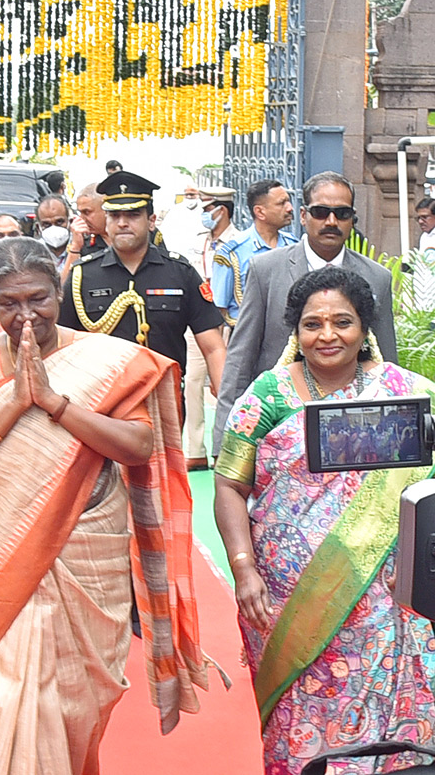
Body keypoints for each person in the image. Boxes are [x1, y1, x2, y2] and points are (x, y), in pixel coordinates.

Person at [0, 238, 208, 775]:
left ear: (59, 292)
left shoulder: (104, 358)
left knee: (75, 708)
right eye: (9, 303)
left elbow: (137, 445)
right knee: (8, 698)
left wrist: (54, 401)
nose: (24, 315)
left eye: (37, 299)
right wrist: (14, 400)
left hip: (86, 551)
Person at [213, 267, 435, 775]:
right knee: (300, 725)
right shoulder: (267, 397)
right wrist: (243, 568)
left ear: (365, 328)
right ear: (295, 331)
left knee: (396, 729)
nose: (328, 335)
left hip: (390, 594)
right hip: (288, 597)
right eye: (312, 324)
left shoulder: (409, 394)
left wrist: (419, 566)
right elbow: (228, 484)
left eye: (343, 322)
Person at [214, 172, 398, 451]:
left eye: (342, 213)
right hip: (276, 424)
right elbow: (241, 358)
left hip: (352, 431)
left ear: (352, 218)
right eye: (321, 212)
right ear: (303, 215)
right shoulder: (266, 270)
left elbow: (386, 361)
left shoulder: (376, 277)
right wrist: (223, 442)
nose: (331, 222)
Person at [59, 171, 227, 396]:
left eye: (133, 215)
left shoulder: (180, 273)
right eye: (114, 216)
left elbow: (213, 346)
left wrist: (227, 403)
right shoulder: (82, 276)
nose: (122, 223)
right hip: (101, 401)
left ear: (151, 221)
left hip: (163, 395)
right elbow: (61, 344)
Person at [181, 186, 240, 470]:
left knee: (226, 385)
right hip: (198, 320)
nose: (204, 216)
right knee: (193, 381)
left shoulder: (238, 242)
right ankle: (194, 450)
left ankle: (225, 448)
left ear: (222, 210)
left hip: (228, 321)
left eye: (207, 210)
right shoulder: (198, 240)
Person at [211, 179, 298, 323]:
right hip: (246, 335)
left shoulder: (293, 246)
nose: (290, 208)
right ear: (260, 212)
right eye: (281, 203)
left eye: (288, 202)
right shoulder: (232, 253)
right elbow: (218, 311)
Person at [64, 182, 107, 272]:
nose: (82, 219)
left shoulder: (125, 236)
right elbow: (64, 284)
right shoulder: (83, 242)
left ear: (106, 210)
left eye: (87, 212)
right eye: (80, 213)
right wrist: (75, 248)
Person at [35, 195, 72, 272]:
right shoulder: (33, 253)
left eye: (59, 222)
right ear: (38, 227)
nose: (53, 228)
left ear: (70, 222)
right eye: (46, 224)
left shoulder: (83, 248)